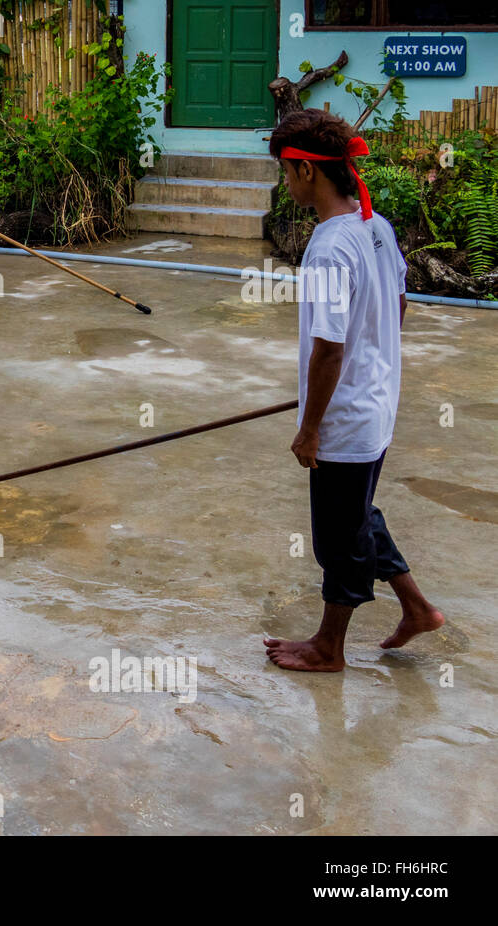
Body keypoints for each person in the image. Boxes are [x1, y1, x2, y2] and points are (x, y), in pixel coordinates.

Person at [263, 108, 444, 672]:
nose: (284, 182)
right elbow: (398, 307)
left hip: (346, 420)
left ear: (306, 172)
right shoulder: (376, 226)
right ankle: (418, 609)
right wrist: (370, 364)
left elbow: (329, 349)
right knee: (357, 514)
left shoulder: (328, 245)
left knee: (338, 541)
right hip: (376, 404)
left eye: (285, 172)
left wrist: (311, 426)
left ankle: (328, 648)